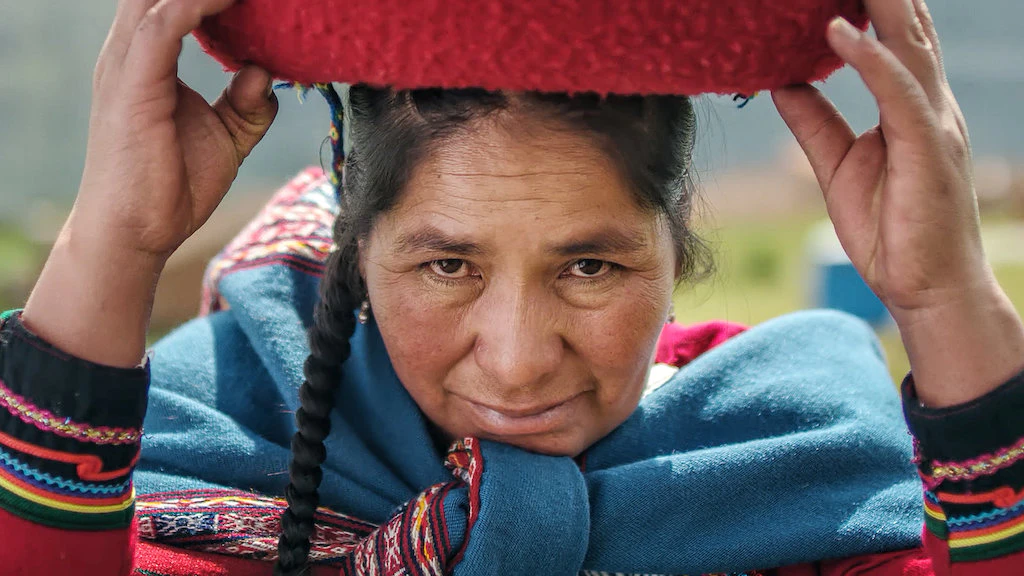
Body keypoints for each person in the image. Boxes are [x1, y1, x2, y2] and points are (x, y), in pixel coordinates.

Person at [1, 0, 1023, 575]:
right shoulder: (228, 431)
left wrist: (944, 302)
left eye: (590, 266)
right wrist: (115, 243)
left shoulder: (797, 460)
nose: (519, 357)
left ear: (675, 246)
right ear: (358, 249)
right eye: (447, 266)